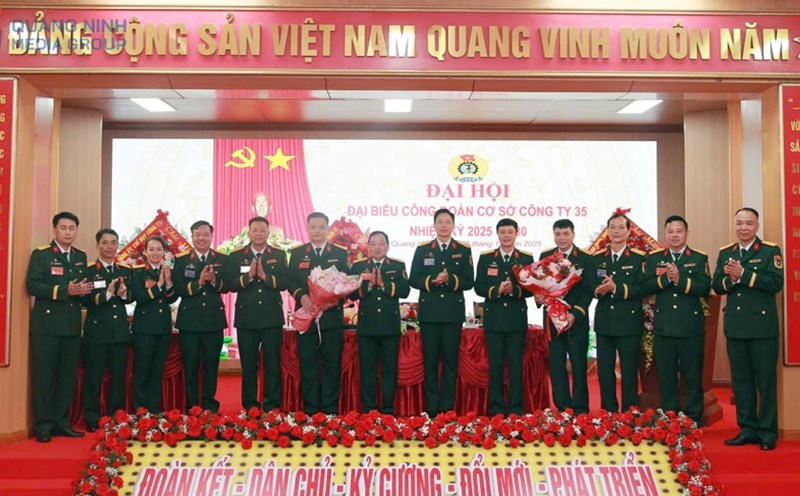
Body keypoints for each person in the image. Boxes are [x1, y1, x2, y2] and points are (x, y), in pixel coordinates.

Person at [712, 207, 783, 451]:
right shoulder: (726, 253)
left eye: (748, 223)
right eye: (739, 223)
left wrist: (744, 274)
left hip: (763, 330)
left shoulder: (770, 251)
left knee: (765, 382)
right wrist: (731, 280)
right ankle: (747, 429)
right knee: (741, 382)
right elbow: (717, 286)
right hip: (736, 328)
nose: (743, 228)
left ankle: (767, 432)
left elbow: (775, 283)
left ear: (757, 226)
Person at [26, 211, 93, 442]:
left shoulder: (80, 256)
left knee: (67, 377)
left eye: (72, 228)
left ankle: (61, 422)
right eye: (63, 228)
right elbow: (32, 285)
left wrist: (85, 292)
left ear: (76, 230)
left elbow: (81, 288)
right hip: (46, 327)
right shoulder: (42, 254)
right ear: (55, 229)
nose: (67, 232)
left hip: (72, 327)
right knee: (44, 378)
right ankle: (43, 425)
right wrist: (65, 291)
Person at [643, 215, 710, 425]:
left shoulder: (699, 258)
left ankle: (692, 418)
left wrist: (680, 280)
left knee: (692, 375)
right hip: (664, 327)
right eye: (670, 231)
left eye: (679, 231)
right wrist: (665, 279)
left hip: (690, 327)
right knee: (667, 375)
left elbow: (705, 288)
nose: (674, 235)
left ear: (686, 233)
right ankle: (670, 417)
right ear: (665, 234)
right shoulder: (654, 258)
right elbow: (645, 286)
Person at [409, 208, 474, 416]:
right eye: (440, 222)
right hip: (429, 315)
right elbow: (413, 279)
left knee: (450, 365)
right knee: (429, 365)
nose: (444, 225)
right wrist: (431, 281)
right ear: (434, 225)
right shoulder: (423, 249)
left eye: (447, 222)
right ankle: (431, 410)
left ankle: (447, 410)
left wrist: (450, 280)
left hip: (452, 316)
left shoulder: (463, 250)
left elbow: (469, 281)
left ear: (453, 225)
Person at [288, 212, 350, 414]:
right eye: (313, 227)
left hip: (331, 319)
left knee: (332, 365)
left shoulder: (340, 253)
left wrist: (333, 301)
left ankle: (331, 411)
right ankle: (311, 410)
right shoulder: (298, 253)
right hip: (307, 317)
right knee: (308, 365)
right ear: (308, 228)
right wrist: (302, 296)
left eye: (321, 227)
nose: (317, 231)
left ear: (327, 229)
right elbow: (291, 281)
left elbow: (347, 283)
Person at [226, 216, 288, 411]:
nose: (259, 233)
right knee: (249, 366)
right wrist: (249, 277)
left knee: (272, 364)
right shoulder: (236, 256)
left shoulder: (278, 254)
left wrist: (264, 276)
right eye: (255, 230)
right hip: (247, 319)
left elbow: (285, 283)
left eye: (263, 230)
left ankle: (272, 405)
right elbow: (231, 284)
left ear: (268, 233)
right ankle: (250, 405)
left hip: (271, 318)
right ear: (249, 233)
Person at [474, 218, 533, 416]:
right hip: (494, 321)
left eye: (510, 232)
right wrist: (496, 290)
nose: (506, 235)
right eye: (503, 232)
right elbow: (479, 286)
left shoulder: (525, 258)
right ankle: (496, 409)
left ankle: (516, 410)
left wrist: (514, 290)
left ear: (517, 233)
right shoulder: (486, 257)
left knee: (516, 368)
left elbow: (532, 289)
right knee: (495, 367)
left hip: (516, 321)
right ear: (497, 234)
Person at [537, 219, 595, 415]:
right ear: (554, 235)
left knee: (579, 366)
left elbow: (588, 292)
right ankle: (562, 408)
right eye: (558, 234)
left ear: (573, 234)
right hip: (552, 320)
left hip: (575, 321)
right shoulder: (546, 256)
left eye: (565, 234)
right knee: (556, 366)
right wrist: (539, 297)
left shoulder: (585, 258)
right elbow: (540, 285)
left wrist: (574, 314)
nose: (562, 238)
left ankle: (580, 409)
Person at [349, 231, 410, 414]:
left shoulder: (397, 265)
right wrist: (368, 286)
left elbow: (405, 291)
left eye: (381, 243)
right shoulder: (358, 266)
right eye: (373, 243)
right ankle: (368, 409)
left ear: (388, 246)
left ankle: (387, 409)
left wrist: (383, 284)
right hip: (366, 327)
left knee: (389, 371)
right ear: (368, 247)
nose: (377, 247)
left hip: (389, 327)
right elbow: (350, 293)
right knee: (367, 371)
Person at [593, 212, 646, 413]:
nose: (616, 231)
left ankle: (629, 410)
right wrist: (597, 290)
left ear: (629, 231)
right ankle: (608, 410)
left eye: (621, 227)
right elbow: (589, 283)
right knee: (605, 371)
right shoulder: (597, 258)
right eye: (612, 227)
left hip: (629, 323)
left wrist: (616, 288)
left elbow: (642, 288)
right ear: (607, 231)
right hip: (605, 322)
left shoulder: (638, 258)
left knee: (629, 370)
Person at [173, 220, 228, 413]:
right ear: (192, 236)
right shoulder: (180, 260)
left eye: (206, 234)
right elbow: (178, 288)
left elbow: (228, 286)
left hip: (214, 321)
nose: (202, 238)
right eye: (198, 234)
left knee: (211, 366)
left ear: (212, 237)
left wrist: (214, 281)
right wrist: (198, 282)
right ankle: (192, 406)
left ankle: (209, 405)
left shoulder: (221, 258)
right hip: (190, 322)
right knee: (191, 366)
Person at [82, 228, 132, 432]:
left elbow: (132, 297)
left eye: (113, 242)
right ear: (97, 245)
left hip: (119, 332)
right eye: (105, 242)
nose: (110, 246)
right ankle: (92, 416)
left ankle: (116, 415)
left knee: (118, 377)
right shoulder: (88, 270)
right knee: (93, 377)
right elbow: (84, 299)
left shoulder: (125, 270)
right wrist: (107, 294)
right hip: (97, 332)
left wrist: (125, 293)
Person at [131, 236, 178, 413]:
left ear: (164, 252)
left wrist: (168, 282)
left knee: (157, 372)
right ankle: (140, 411)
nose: (155, 253)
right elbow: (140, 298)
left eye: (159, 249)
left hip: (163, 328)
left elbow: (172, 298)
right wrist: (158, 285)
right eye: (151, 249)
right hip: (144, 329)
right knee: (142, 371)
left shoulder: (167, 271)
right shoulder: (137, 272)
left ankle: (154, 411)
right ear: (145, 252)